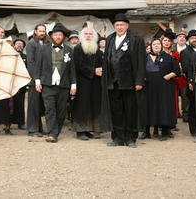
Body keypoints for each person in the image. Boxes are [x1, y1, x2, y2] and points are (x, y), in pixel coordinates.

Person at [102, 13, 146, 148]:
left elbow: (141, 61)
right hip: (113, 82)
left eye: (122, 25)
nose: (120, 27)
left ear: (127, 25)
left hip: (129, 81)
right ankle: (117, 137)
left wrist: (139, 81)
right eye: (117, 25)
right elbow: (106, 59)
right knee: (116, 111)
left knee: (130, 110)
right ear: (114, 26)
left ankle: (130, 138)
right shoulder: (109, 39)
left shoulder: (136, 39)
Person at [34, 23, 76, 143]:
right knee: (49, 109)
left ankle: (55, 131)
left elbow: (72, 68)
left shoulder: (69, 50)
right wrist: (37, 81)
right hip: (47, 84)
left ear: (63, 37)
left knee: (61, 110)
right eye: (56, 34)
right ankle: (52, 133)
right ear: (52, 36)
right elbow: (38, 66)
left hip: (64, 85)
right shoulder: (43, 49)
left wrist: (74, 85)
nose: (58, 37)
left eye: (60, 35)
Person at [139, 38, 180, 141]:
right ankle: (146, 131)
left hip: (164, 87)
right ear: (151, 46)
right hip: (148, 87)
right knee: (148, 107)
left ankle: (165, 132)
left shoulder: (168, 57)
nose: (156, 46)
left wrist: (169, 75)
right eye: (154, 44)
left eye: (158, 44)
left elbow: (177, 70)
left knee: (163, 108)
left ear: (161, 46)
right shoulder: (144, 57)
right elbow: (139, 71)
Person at [72, 27, 103, 140]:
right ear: (82, 36)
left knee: (93, 105)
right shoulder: (78, 49)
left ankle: (88, 129)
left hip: (95, 83)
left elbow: (102, 62)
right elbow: (78, 65)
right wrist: (93, 71)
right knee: (82, 106)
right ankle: (80, 131)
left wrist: (102, 69)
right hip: (82, 82)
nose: (88, 35)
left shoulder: (97, 49)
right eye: (86, 34)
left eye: (91, 34)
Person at [26, 24, 47, 137]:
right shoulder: (31, 44)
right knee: (33, 105)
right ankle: (32, 129)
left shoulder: (46, 43)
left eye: (43, 31)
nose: (42, 33)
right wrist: (36, 80)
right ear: (35, 31)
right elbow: (31, 63)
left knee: (40, 105)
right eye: (40, 31)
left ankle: (38, 127)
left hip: (44, 80)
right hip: (34, 80)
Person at [12, 38, 27, 130]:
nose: (19, 45)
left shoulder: (26, 57)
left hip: (22, 84)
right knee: (9, 103)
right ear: (14, 45)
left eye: (21, 44)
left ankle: (21, 123)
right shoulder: (9, 56)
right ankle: (8, 122)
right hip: (10, 83)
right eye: (17, 43)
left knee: (20, 104)